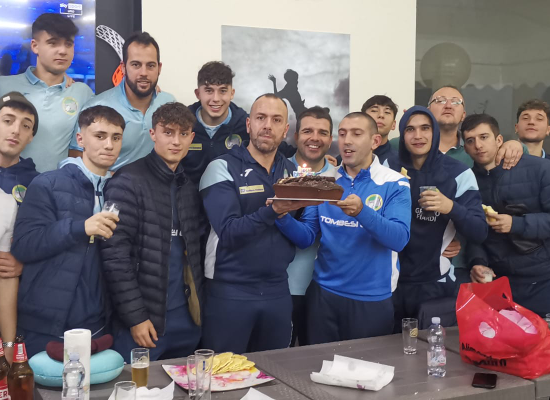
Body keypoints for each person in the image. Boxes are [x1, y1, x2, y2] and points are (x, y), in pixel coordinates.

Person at [275, 112, 411, 344]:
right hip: (323, 294)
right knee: (317, 364)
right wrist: (280, 215)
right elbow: (307, 236)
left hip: (371, 298)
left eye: (356, 134)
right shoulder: (325, 180)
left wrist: (362, 212)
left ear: (375, 141)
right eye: (343, 134)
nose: (347, 141)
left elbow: (399, 239)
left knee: (364, 366)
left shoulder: (394, 182)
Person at [11, 105, 124, 357]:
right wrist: (79, 228)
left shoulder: (122, 188)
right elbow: (24, 245)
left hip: (99, 321)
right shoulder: (47, 183)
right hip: (46, 322)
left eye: (116, 138)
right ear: (80, 139)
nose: (109, 145)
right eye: (100, 136)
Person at [100, 102, 204, 362]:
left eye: (183, 134)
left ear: (191, 137)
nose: (176, 141)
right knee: (139, 384)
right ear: (153, 134)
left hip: (187, 322)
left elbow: (194, 255)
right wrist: (135, 317)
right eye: (168, 132)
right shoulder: (127, 181)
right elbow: (115, 257)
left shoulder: (188, 187)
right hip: (144, 324)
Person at [199, 94, 297, 353]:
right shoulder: (221, 167)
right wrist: (273, 211)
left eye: (276, 120)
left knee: (276, 371)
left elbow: (301, 232)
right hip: (231, 290)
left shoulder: (292, 172)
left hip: (277, 290)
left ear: (285, 129)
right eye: (261, 118)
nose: (268, 126)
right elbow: (229, 232)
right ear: (248, 124)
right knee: (224, 372)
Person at [392, 106, 487, 329]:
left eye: (425, 128)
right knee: (386, 348)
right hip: (389, 282)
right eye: (410, 129)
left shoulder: (459, 173)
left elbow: (480, 231)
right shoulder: (388, 167)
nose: (418, 135)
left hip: (435, 283)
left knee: (430, 348)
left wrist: (450, 207)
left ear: (435, 132)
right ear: (402, 135)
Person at [463, 113, 550, 317]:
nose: (478, 145)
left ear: (499, 140)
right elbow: (474, 232)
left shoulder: (540, 169)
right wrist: (477, 261)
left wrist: (516, 224)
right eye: (470, 140)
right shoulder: (468, 181)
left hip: (542, 280)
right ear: (465, 148)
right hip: (499, 283)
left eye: (484, 137)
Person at [0, 13, 93, 173]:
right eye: (53, 43)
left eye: (68, 44)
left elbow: (78, 151)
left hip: (54, 186)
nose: (62, 51)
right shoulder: (4, 86)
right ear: (35, 46)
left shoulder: (82, 93)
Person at [70, 32, 176, 170]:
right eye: (136, 65)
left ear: (159, 68)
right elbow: (76, 156)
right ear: (123, 68)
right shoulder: (97, 106)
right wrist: (110, 178)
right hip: (111, 183)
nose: (144, 73)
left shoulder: (168, 103)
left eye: (150, 65)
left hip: (159, 183)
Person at [286, 106, 336, 346]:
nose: (315, 138)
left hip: (325, 290)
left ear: (330, 139)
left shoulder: (341, 177)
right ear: (296, 136)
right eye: (307, 131)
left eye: (322, 132)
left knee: (314, 357)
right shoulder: (277, 170)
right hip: (281, 286)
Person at [0, 92, 39, 362]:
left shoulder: (38, 184)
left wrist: (24, 264)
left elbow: (44, 244)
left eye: (25, 126)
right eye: (8, 120)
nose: (16, 130)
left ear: (31, 137)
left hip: (15, 299)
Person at [185, 61, 248, 184]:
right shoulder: (182, 123)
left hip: (230, 194)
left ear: (232, 93)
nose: (216, 99)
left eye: (223, 91)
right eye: (209, 90)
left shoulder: (246, 125)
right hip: (187, 195)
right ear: (198, 94)